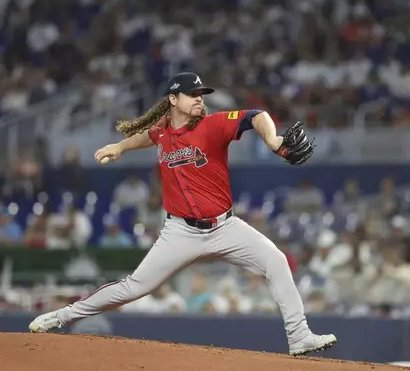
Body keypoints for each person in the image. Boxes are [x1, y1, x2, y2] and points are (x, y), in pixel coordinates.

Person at [27, 72, 333, 356]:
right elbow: (147, 136)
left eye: (201, 93)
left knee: (276, 261)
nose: (199, 97)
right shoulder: (162, 133)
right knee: (134, 287)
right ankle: (62, 316)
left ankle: (299, 336)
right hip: (180, 232)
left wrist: (274, 140)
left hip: (225, 226)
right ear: (174, 100)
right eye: (192, 93)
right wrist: (120, 147)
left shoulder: (213, 125)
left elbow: (256, 116)